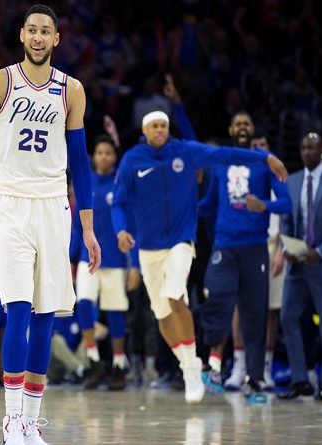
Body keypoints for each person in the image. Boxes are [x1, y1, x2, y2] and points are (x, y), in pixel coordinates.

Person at [0, 5, 101, 444]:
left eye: (46, 32)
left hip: (54, 206)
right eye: (32, 30)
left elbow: (80, 162)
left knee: (45, 316)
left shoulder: (71, 90)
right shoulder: (1, 81)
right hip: (12, 204)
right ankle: (12, 419)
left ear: (57, 39)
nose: (38, 38)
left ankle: (31, 421)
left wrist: (88, 228)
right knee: (18, 309)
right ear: (22, 34)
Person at [111, 110, 287, 404]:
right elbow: (118, 202)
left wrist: (264, 158)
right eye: (155, 126)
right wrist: (120, 231)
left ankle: (193, 367)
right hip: (148, 247)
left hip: (181, 240)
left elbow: (225, 154)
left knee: (175, 295)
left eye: (164, 126)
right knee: (161, 314)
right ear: (145, 130)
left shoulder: (185, 152)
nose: (160, 130)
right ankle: (188, 364)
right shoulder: (132, 160)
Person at [198, 112, 291, 403]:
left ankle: (254, 379)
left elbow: (286, 203)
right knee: (217, 298)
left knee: (254, 313)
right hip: (224, 245)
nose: (242, 127)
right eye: (237, 123)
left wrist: (263, 205)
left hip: (254, 247)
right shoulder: (221, 163)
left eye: (246, 123)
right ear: (230, 129)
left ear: (252, 130)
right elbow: (209, 203)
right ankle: (213, 365)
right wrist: (182, 208)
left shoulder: (266, 162)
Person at [222, 134, 286, 391]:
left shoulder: (277, 171)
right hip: (251, 245)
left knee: (269, 312)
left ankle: (265, 368)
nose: (258, 149)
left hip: (275, 246)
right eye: (255, 146)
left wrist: (282, 249)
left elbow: (289, 213)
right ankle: (239, 366)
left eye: (263, 145)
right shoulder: (244, 173)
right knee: (240, 308)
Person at [70, 134, 129, 391]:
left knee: (115, 312)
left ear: (114, 157)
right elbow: (76, 226)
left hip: (115, 259)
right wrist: (72, 258)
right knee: (84, 305)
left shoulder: (121, 182)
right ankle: (94, 361)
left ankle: (118, 364)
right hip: (87, 258)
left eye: (108, 152)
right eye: (100, 152)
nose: (103, 156)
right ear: (94, 156)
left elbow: (130, 220)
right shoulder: (85, 182)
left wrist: (133, 262)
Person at [279, 133, 322, 401]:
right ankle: (300, 381)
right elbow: (287, 219)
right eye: (304, 148)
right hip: (297, 264)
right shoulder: (294, 180)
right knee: (288, 316)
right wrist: (286, 247)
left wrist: (320, 251)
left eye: (312, 147)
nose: (307, 152)